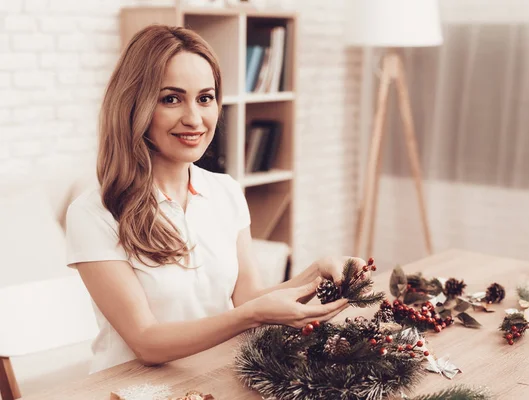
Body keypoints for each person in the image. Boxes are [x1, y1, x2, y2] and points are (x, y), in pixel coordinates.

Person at [65, 24, 365, 374]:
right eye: (171, 99)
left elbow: (249, 300)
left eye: (205, 98)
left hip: (216, 379)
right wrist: (249, 315)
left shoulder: (225, 191)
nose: (194, 119)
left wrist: (319, 272)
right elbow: (146, 342)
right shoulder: (94, 213)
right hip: (134, 390)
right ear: (135, 105)